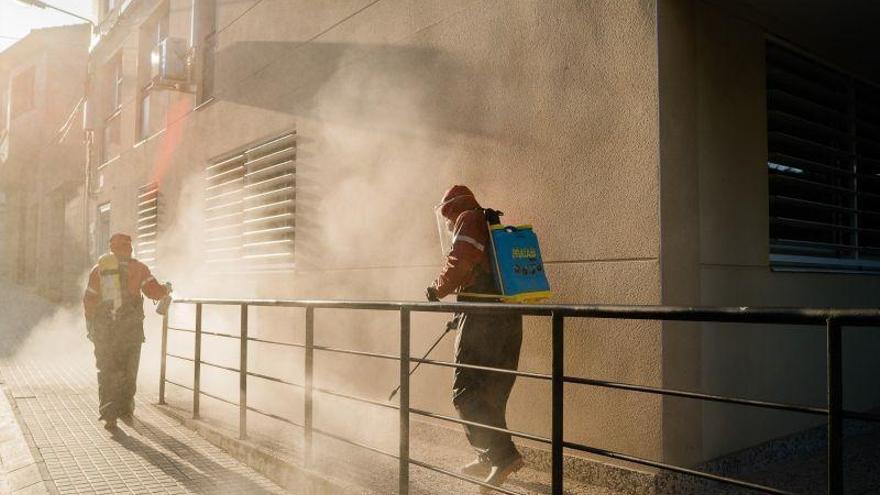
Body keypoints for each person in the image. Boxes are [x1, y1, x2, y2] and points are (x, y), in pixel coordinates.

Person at [426, 185, 524, 491]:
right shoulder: (486, 221)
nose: (446, 224)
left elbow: (461, 262)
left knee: (466, 393)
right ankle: (488, 456)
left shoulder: (468, 219)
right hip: (504, 318)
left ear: (452, 209)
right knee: (490, 393)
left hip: (484, 322)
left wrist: (437, 289)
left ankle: (503, 457)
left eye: (445, 217)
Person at [83, 233, 170, 430]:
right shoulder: (139, 268)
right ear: (130, 249)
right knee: (128, 370)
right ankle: (125, 409)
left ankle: (108, 414)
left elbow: (89, 298)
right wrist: (166, 289)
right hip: (130, 332)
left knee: (107, 370)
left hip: (105, 331)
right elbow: (154, 292)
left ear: (111, 249)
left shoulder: (99, 270)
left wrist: (90, 325)